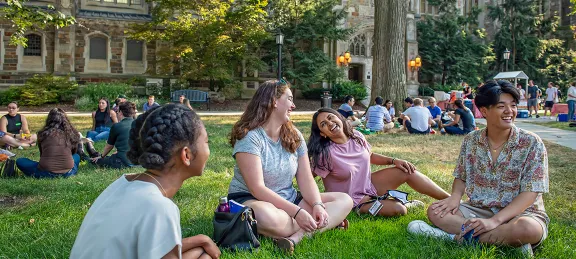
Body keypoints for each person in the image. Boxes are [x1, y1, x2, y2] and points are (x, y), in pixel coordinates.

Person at [409, 80, 549, 256]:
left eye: (513, 105)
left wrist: (495, 221)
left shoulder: (531, 142)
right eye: (501, 106)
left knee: (528, 230)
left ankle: (451, 238)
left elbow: (531, 192)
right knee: (435, 211)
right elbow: (461, 176)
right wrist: (455, 197)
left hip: (521, 213)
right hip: (479, 209)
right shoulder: (471, 140)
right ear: (484, 111)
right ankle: (508, 242)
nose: (509, 111)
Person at [71, 104, 221, 259]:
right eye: (207, 142)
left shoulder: (122, 183)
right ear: (186, 155)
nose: (208, 148)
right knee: (204, 256)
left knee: (200, 252)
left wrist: (201, 240)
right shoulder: (159, 207)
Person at [228, 80, 353, 254]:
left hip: (289, 198)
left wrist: (316, 204)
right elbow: (257, 188)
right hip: (253, 200)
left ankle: (296, 237)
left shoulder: (294, 135)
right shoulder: (250, 138)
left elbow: (306, 178)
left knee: (344, 200)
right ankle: (323, 223)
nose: (293, 105)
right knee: (266, 217)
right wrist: (298, 212)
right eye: (290, 99)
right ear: (274, 101)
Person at [309, 108, 450, 217]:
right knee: (398, 210)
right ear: (323, 133)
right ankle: (406, 204)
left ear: (339, 117)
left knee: (406, 170)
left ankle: (452, 200)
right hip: (353, 202)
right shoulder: (325, 153)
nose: (330, 123)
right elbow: (308, 178)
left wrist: (394, 160)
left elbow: (369, 155)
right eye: (323, 124)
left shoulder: (356, 136)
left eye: (330, 118)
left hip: (369, 186)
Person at [15, 108, 81, 178]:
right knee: (76, 156)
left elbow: (42, 153)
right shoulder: (71, 134)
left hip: (46, 172)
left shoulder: (43, 134)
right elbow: (73, 152)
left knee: (20, 161)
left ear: (49, 120)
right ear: (65, 120)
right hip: (68, 172)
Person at [90, 102, 135, 169]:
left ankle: (85, 152)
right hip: (140, 161)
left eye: (117, 111)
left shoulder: (117, 126)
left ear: (120, 112)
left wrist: (101, 156)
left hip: (123, 162)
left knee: (94, 160)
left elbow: (109, 146)